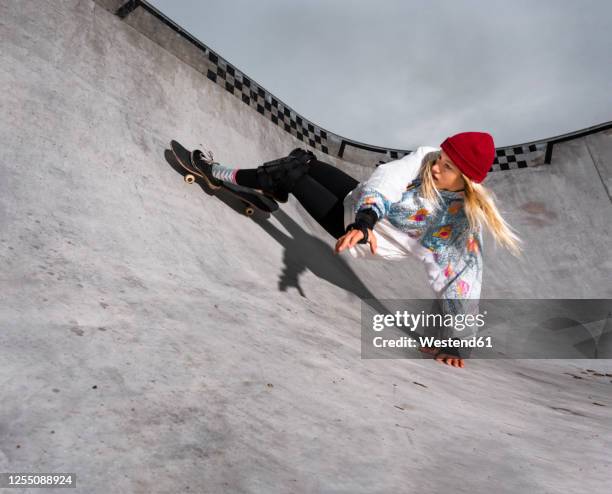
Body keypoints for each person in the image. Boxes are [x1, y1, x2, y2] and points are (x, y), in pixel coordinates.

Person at [190, 131, 522, 368]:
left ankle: (218, 174)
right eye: (441, 159)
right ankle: (272, 186)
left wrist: (454, 343)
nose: (437, 168)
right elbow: (388, 179)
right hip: (361, 211)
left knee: (290, 174)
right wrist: (364, 218)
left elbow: (460, 283)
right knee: (302, 160)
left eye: (449, 168)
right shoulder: (428, 157)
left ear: (467, 181)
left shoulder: (456, 225)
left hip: (366, 238)